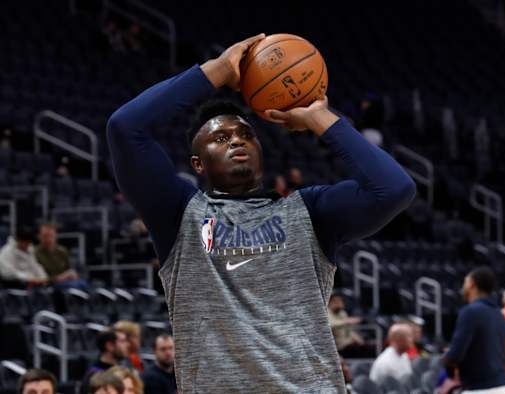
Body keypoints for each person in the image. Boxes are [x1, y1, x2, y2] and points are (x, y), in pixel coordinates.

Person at [106, 33, 415, 392]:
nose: (236, 140)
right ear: (198, 163)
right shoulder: (178, 214)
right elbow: (125, 128)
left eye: (245, 134)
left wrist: (320, 119)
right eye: (220, 139)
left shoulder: (309, 211)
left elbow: (395, 189)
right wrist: (217, 71)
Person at [444, 267, 505, 394]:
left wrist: (447, 355)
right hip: (504, 386)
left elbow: (454, 356)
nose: (462, 287)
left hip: (482, 389)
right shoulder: (499, 313)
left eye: (465, 282)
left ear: (471, 284)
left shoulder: (470, 311)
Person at [34, 223, 85, 288]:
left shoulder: (62, 251)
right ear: (39, 236)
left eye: (51, 235)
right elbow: (38, 278)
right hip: (50, 285)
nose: (48, 239)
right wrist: (59, 278)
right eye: (45, 236)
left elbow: (70, 269)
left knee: (83, 284)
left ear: (55, 236)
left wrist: (73, 275)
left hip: (68, 282)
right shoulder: (35, 253)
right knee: (76, 286)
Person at [81, 330, 130, 394]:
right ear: (109, 346)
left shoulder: (123, 370)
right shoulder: (94, 375)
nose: (127, 345)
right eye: (122, 341)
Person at [328, 293, 370, 358]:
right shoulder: (327, 313)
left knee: (367, 348)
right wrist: (346, 321)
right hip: (334, 345)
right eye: (337, 301)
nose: (340, 303)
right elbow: (330, 325)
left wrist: (359, 340)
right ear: (331, 302)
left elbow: (349, 331)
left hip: (346, 344)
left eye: (341, 301)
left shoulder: (342, 313)